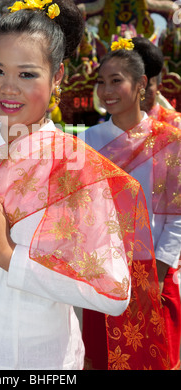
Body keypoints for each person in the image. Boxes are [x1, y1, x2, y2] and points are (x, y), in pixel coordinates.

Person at [0, 0, 165, 370]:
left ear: (57, 76)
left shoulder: (77, 169)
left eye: (27, 74)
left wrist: (6, 255)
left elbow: (114, 292)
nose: (8, 88)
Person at [83, 38, 181, 370]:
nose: (106, 90)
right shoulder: (86, 141)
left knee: (154, 357)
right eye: (100, 81)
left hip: (153, 269)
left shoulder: (169, 139)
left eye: (116, 80)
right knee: (104, 357)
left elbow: (176, 214)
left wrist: (161, 267)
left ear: (141, 85)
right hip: (103, 269)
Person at [131, 36, 181, 130]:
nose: (140, 91)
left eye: (147, 86)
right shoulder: (117, 120)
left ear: (159, 87)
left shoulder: (175, 123)